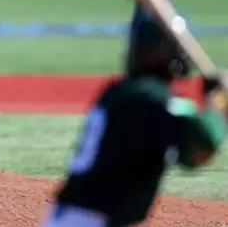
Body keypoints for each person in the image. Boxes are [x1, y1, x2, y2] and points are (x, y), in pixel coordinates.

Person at [41, 19, 228, 227]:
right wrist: (217, 106)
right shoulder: (146, 97)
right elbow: (205, 137)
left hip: (80, 216)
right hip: (90, 219)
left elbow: (192, 156)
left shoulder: (126, 92)